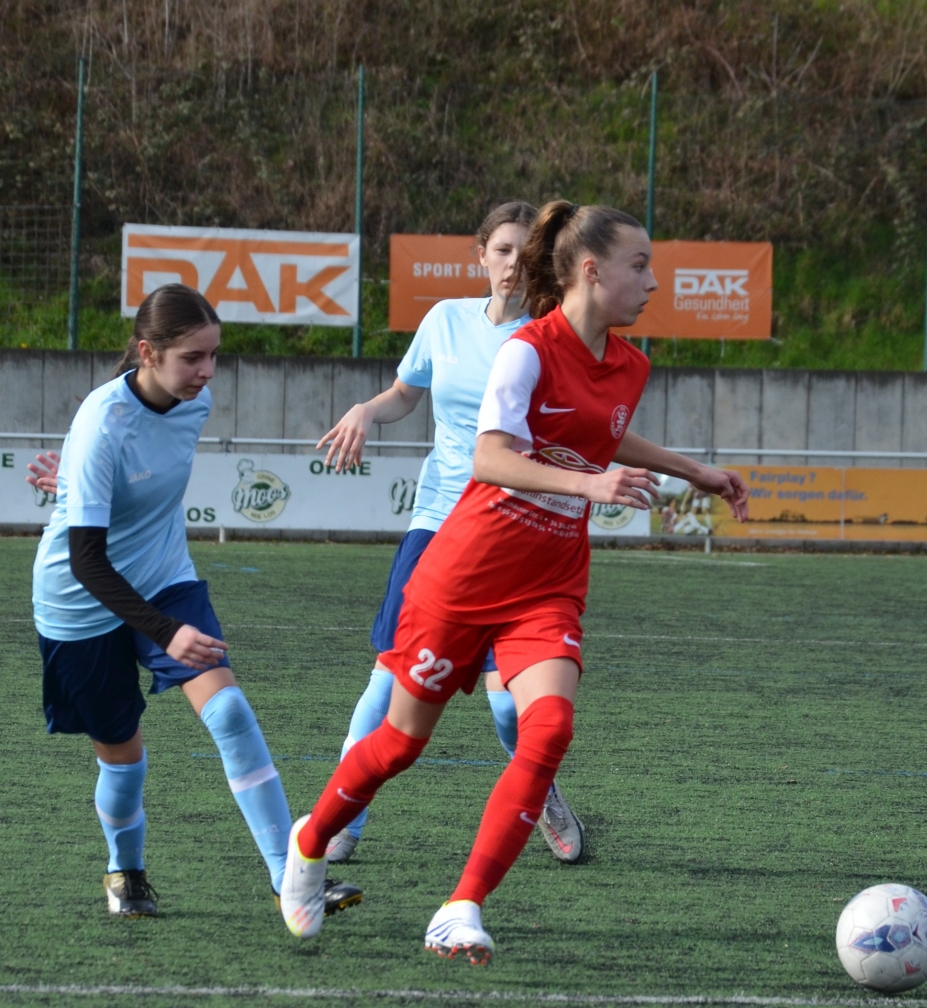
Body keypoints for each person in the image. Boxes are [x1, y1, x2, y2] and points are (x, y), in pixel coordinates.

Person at [278, 201, 749, 954]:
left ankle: (461, 905)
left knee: (548, 728)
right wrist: (590, 484)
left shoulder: (631, 365)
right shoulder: (526, 350)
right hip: (465, 574)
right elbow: (490, 457)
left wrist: (696, 471)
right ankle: (310, 842)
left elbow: (599, 430)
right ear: (591, 271)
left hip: (549, 583)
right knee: (399, 743)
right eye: (640, 266)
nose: (652, 283)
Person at [30, 284, 362, 918]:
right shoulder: (101, 422)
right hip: (80, 602)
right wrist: (166, 631)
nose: (207, 372)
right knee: (124, 758)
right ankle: (125, 871)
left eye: (213, 355)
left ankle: (290, 879)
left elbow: (134, 481)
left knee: (230, 711)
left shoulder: (194, 402)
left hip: (164, 578)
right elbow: (87, 560)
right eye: (192, 358)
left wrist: (74, 482)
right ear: (147, 353)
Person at [315, 201, 585, 866]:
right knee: (387, 681)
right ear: (480, 254)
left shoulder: (551, 338)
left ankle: (542, 791)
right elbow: (407, 393)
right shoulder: (445, 320)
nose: (511, 265)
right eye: (501, 250)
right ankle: (342, 818)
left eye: (524, 253)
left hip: (511, 533)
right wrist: (366, 409)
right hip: (437, 523)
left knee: (507, 710)